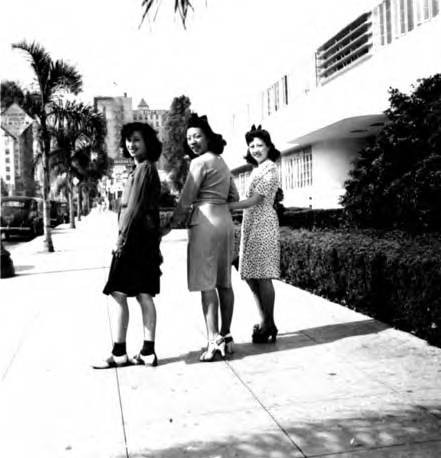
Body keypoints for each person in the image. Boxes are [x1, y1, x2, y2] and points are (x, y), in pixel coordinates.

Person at [169, 113, 239, 361]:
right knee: (225, 282)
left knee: (207, 284)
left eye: (197, 136)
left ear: (208, 137)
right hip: (225, 222)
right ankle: (227, 335)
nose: (193, 141)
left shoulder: (198, 163)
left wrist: (170, 224)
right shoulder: (221, 162)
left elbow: (186, 199)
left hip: (204, 224)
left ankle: (212, 339)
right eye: (189, 138)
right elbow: (234, 197)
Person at [93, 122, 163, 369]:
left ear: (147, 143)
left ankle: (121, 353)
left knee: (119, 293)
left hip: (133, 242)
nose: (131, 145)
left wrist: (121, 241)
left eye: (137, 140)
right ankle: (146, 352)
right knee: (143, 293)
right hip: (143, 241)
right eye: (128, 140)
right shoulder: (142, 170)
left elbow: (134, 209)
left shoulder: (144, 169)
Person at [229, 125, 281, 343]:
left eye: (260, 145)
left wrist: (229, 206)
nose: (256, 149)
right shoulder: (257, 169)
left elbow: (256, 200)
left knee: (263, 275)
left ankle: (268, 323)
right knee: (251, 275)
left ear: (269, 147)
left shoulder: (270, 169)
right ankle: (266, 322)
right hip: (251, 224)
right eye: (252, 145)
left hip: (264, 224)